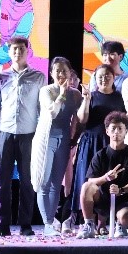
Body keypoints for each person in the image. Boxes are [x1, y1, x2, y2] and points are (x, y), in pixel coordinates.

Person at [0, 36, 47, 236]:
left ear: (27, 51)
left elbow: (42, 108)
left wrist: (42, 135)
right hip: (4, 133)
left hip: (29, 134)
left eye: (21, 48)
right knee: (3, 181)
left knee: (27, 181)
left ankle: (25, 224)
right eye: (14, 49)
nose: (17, 52)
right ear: (9, 51)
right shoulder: (1, 77)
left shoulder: (38, 77)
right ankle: (3, 224)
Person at [31, 57, 82, 236]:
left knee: (55, 184)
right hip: (46, 139)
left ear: (70, 73)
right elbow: (52, 112)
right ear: (51, 73)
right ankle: (47, 223)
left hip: (64, 140)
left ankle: (51, 222)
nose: (61, 74)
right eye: (57, 70)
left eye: (64, 71)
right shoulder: (46, 90)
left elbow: (80, 117)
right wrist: (61, 94)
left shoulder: (75, 94)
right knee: (43, 182)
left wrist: (86, 99)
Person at [71, 63, 125, 231]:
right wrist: (86, 99)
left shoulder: (119, 97)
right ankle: (89, 221)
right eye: (100, 76)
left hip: (110, 144)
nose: (104, 79)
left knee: (107, 181)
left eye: (107, 75)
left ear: (113, 77)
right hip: (90, 143)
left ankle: (102, 222)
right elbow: (82, 119)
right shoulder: (90, 95)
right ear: (95, 78)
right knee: (87, 180)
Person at [77, 112, 128, 238]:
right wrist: (106, 178)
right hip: (103, 199)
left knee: (125, 216)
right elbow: (91, 180)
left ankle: (120, 225)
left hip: (124, 199)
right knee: (86, 187)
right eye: (113, 129)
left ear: (126, 131)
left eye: (120, 129)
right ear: (107, 131)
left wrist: (121, 190)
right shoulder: (100, 155)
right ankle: (89, 225)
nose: (116, 132)